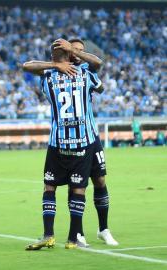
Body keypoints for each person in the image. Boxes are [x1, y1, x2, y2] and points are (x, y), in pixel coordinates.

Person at [23, 38, 118, 247]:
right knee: (77, 186)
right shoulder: (85, 73)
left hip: (84, 139)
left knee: (97, 181)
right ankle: (77, 235)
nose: (77, 53)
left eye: (80, 50)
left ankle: (102, 229)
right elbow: (99, 79)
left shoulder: (53, 76)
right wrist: (61, 63)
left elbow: (28, 66)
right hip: (81, 139)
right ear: (67, 53)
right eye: (73, 50)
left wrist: (64, 60)